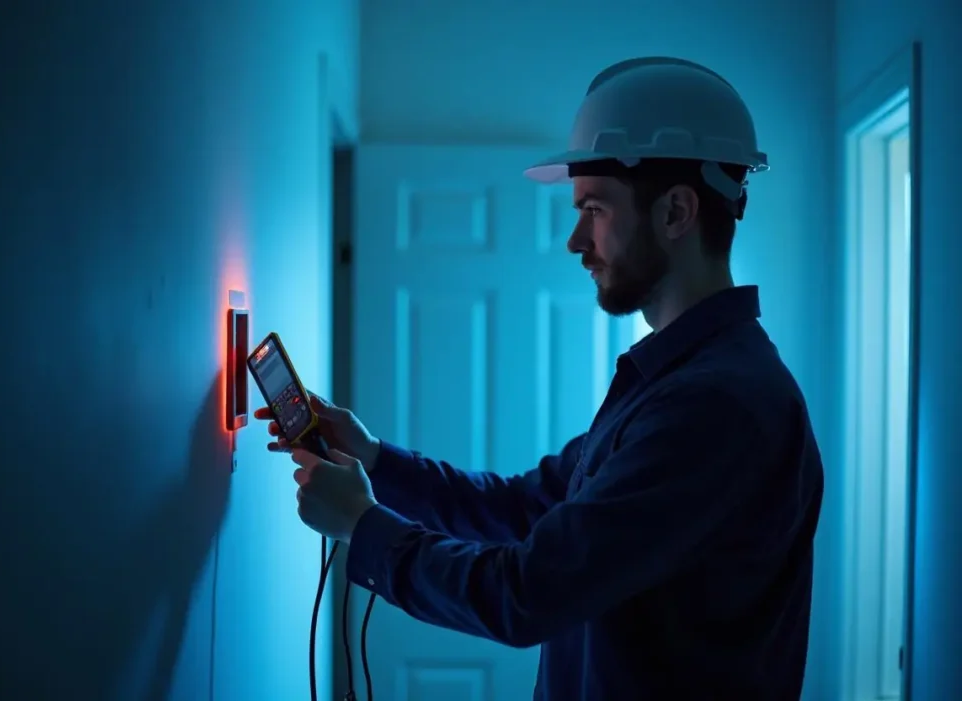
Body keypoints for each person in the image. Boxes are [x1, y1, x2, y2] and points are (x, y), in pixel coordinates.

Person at [254, 56, 824, 700]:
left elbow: (524, 593)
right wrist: (376, 461)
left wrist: (362, 528)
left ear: (676, 212)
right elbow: (527, 507)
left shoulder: (717, 406)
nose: (576, 240)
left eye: (596, 209)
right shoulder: (673, 380)